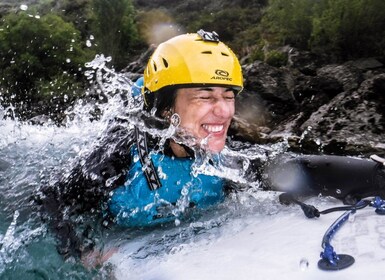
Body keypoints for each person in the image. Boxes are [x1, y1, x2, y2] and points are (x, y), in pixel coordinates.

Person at [37, 30, 385, 261]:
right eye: (204, 96)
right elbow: (50, 198)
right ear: (166, 106)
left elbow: (298, 169)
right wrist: (79, 252)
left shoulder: (226, 158)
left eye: (228, 96)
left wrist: (377, 175)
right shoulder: (117, 155)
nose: (223, 112)